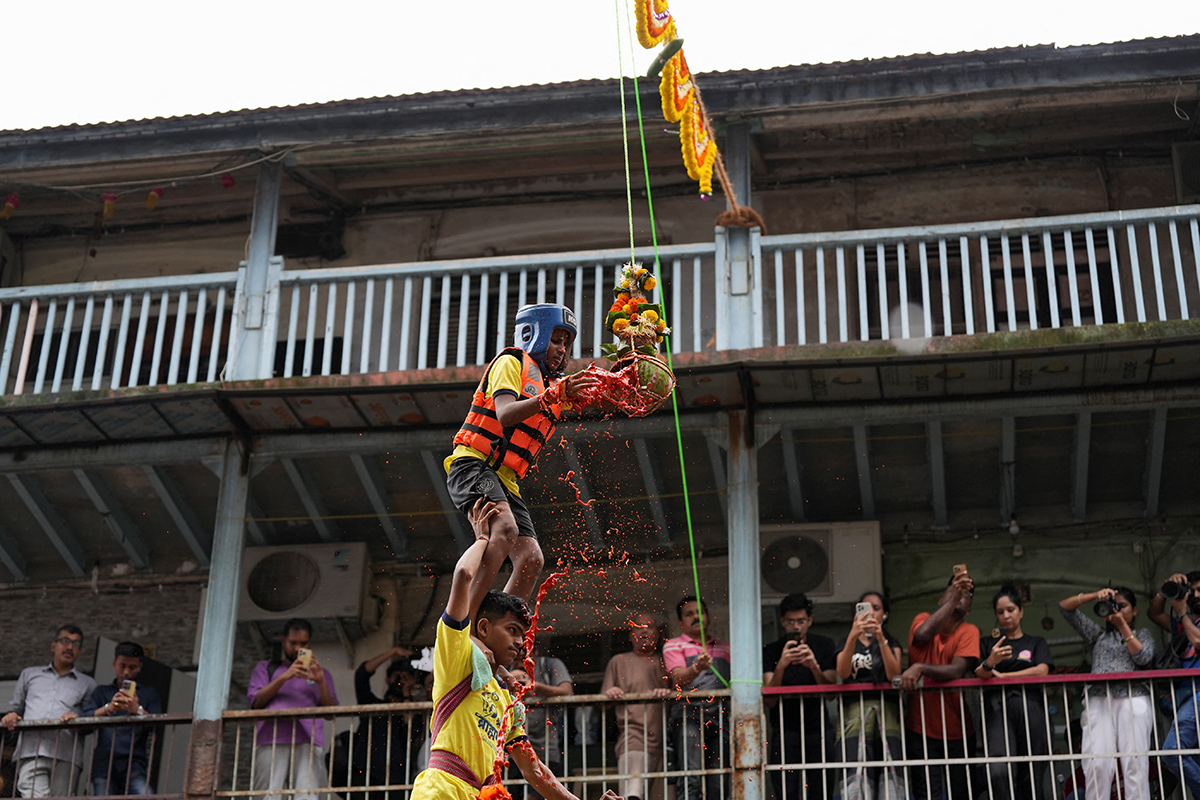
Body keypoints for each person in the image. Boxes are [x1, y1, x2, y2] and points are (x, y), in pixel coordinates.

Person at [409, 498, 621, 800]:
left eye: (524, 634)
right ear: (482, 628)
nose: (522, 643)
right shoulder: (457, 660)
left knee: (532, 559)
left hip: (478, 795)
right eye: (512, 631)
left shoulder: (507, 701)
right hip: (440, 790)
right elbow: (463, 576)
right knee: (508, 535)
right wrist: (483, 539)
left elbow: (535, 772)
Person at [444, 303, 598, 606]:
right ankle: (467, 624)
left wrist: (628, 380)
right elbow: (505, 414)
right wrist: (552, 396)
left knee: (531, 558)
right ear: (534, 334)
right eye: (556, 340)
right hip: (474, 465)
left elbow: (596, 395)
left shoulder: (553, 386)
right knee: (505, 529)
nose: (562, 350)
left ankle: (500, 628)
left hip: (506, 480)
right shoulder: (512, 362)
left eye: (567, 343)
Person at [1059, 586, 1156, 800]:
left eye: (1123, 606)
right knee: (1098, 763)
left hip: (1133, 697)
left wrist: (1123, 627)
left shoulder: (1143, 634)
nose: (1117, 611)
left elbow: (1144, 657)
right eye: (1113, 606)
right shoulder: (1098, 635)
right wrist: (1094, 596)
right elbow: (1065, 608)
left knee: (1134, 761)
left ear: (1135, 610)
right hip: (1099, 699)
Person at [898, 569, 979, 800]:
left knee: (962, 794)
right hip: (920, 728)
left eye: (965, 597)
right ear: (941, 600)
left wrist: (920, 668)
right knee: (926, 794)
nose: (959, 597)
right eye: (953, 594)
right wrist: (954, 596)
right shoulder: (921, 619)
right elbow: (923, 635)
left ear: (969, 610)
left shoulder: (968, 630)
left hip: (959, 729)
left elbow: (956, 669)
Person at [974, 582, 1053, 800]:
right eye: (1000, 612)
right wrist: (991, 662)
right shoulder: (989, 643)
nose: (1006, 616)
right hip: (998, 708)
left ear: (1021, 611)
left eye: (1011, 610)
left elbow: (1042, 670)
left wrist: (1003, 676)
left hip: (1031, 706)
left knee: (1033, 770)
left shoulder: (1035, 642)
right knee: (999, 770)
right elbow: (980, 672)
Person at [247, 618, 339, 800]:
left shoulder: (321, 673)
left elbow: (331, 713)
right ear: (283, 641)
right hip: (271, 738)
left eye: (303, 644)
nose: (297, 648)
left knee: (306, 796)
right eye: (293, 643)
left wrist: (320, 682)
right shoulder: (266, 668)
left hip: (308, 740)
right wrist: (284, 676)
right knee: (267, 795)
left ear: (309, 643)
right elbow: (255, 702)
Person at [2, 624, 96, 798]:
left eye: (76, 644)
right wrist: (11, 715)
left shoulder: (87, 683)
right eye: (65, 641)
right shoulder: (29, 675)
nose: (69, 647)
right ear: (54, 645)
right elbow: (15, 709)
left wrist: (78, 720)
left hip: (66, 754)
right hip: (31, 750)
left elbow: (90, 721)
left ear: (80, 651)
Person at [762, 592, 837, 800]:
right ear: (782, 622)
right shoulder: (771, 651)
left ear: (810, 621)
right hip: (785, 730)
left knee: (821, 789)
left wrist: (814, 667)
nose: (796, 626)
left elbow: (831, 693)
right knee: (787, 790)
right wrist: (782, 666)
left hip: (819, 728)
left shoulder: (824, 645)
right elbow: (769, 699)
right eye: (791, 621)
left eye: (801, 621)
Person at [835, 590, 904, 800]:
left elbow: (895, 674)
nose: (872, 613)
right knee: (856, 772)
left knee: (888, 771)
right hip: (855, 716)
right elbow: (842, 672)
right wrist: (853, 635)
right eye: (866, 608)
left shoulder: (891, 643)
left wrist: (881, 639)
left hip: (887, 715)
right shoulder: (847, 641)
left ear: (885, 615)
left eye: (877, 608)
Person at [663, 596, 731, 800]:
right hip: (688, 715)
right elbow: (678, 678)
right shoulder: (673, 646)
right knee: (690, 776)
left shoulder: (724, 648)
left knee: (720, 778)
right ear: (680, 623)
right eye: (689, 614)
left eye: (700, 612)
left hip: (720, 715)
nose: (696, 617)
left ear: (708, 617)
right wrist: (697, 668)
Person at [602, 612, 670, 800]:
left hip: (664, 741)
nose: (644, 630)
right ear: (630, 634)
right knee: (632, 793)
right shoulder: (619, 661)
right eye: (638, 626)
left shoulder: (664, 661)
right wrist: (611, 693)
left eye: (649, 626)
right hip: (632, 739)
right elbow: (601, 703)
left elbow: (677, 689)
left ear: (657, 634)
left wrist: (666, 692)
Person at [83, 641, 163, 796]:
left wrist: (137, 709)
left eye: (132, 667)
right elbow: (85, 719)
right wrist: (109, 708)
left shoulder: (148, 693)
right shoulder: (102, 692)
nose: (126, 672)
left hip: (134, 762)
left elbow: (158, 725)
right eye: (122, 666)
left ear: (140, 667)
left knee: (145, 795)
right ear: (114, 664)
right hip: (104, 763)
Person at [1149, 570, 1200, 796]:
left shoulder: (1186, 621)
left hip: (1198, 695)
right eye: (1192, 590)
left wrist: (1182, 614)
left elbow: (1197, 640)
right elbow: (1154, 613)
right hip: (1184, 697)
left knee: (1172, 751)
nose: (1196, 595)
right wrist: (1165, 588)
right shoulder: (1188, 621)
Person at [349, 644, 422, 799]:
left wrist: (407, 693)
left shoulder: (412, 711)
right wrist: (393, 652)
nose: (401, 681)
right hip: (364, 776)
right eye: (397, 677)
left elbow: (411, 728)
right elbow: (361, 675)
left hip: (397, 781)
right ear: (387, 679)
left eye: (406, 678)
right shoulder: (371, 704)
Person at [511, 642, 573, 799]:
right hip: (512, 747)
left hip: (546, 745)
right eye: (516, 659)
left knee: (538, 793)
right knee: (510, 792)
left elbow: (567, 692)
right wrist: (510, 681)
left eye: (523, 656)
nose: (518, 661)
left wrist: (536, 687)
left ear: (535, 651)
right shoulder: (505, 668)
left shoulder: (550, 665)